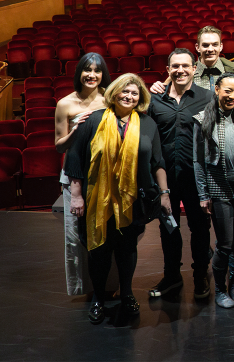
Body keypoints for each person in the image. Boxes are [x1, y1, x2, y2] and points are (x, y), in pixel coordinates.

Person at [64, 74, 170, 325]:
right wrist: (76, 196)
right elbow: (75, 159)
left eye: (134, 93)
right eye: (125, 92)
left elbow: (158, 162)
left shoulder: (148, 124)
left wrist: (164, 193)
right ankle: (98, 299)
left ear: (141, 97)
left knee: (127, 250)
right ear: (114, 93)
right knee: (98, 251)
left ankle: (128, 294)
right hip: (97, 200)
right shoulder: (95, 120)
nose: (129, 96)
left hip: (132, 201)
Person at [146, 48, 213, 300]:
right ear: (168, 70)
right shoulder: (155, 100)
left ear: (194, 68)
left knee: (199, 229)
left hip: (196, 179)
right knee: (168, 230)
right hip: (165, 180)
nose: (180, 70)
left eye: (185, 66)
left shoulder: (207, 98)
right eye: (175, 66)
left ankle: (199, 276)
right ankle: (172, 276)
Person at [193, 73, 234, 308]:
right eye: (227, 91)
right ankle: (220, 289)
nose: (232, 96)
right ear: (217, 89)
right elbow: (198, 161)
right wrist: (203, 195)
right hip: (219, 187)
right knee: (225, 244)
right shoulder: (202, 119)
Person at [55, 53, 111, 297]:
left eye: (97, 71)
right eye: (87, 70)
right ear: (79, 73)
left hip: (104, 174)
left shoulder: (109, 98)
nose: (92, 75)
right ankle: (84, 288)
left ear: (103, 74)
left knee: (107, 232)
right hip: (74, 176)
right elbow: (59, 145)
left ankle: (109, 286)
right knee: (76, 235)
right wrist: (75, 132)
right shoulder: (65, 104)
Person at [149, 25, 234, 94]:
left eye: (215, 45)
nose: (210, 49)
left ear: (221, 47)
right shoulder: (186, 71)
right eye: (205, 45)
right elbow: (165, 90)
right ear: (197, 47)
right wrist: (158, 87)